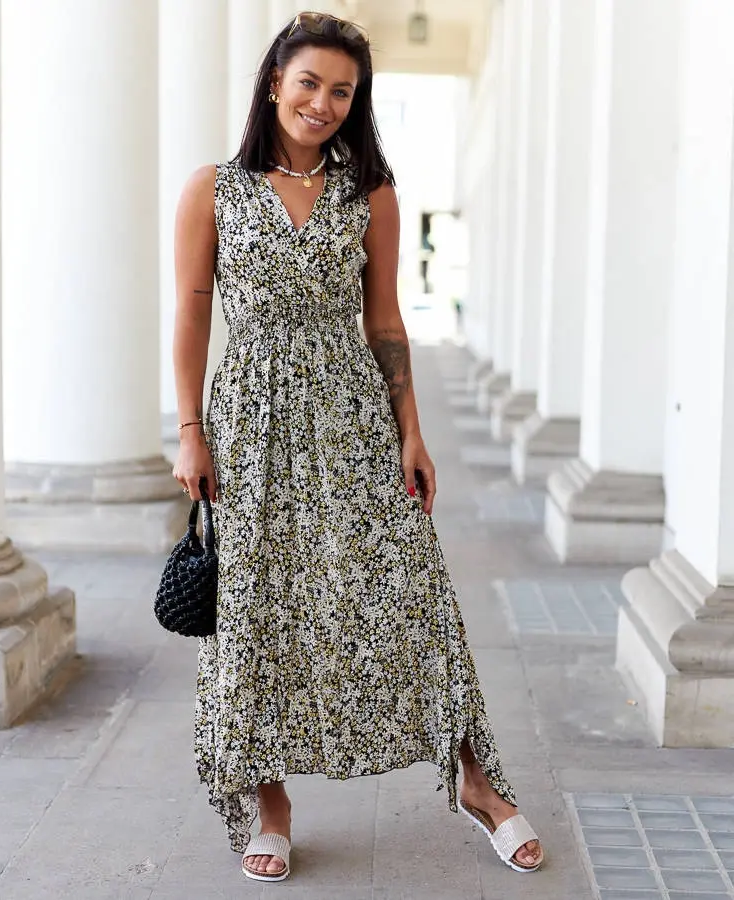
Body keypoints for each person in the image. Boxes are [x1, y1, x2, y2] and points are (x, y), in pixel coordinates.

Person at [171, 11, 544, 884]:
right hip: (251, 424)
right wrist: (190, 430)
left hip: (352, 417)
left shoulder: (370, 192)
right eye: (310, 83)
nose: (324, 102)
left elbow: (385, 323)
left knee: (410, 592)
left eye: (343, 90)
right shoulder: (213, 189)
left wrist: (411, 428)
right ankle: (269, 801)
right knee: (256, 611)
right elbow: (192, 313)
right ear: (274, 84)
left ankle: (479, 781)